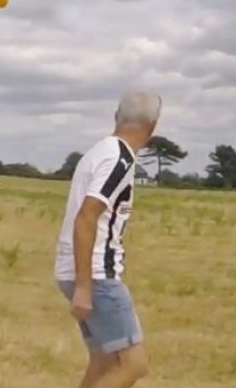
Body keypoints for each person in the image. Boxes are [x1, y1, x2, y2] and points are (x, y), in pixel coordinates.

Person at [54, 90, 160, 387]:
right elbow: (87, 217)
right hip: (97, 275)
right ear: (152, 126)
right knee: (133, 364)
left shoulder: (99, 151)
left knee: (104, 361)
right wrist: (85, 288)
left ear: (117, 117)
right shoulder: (120, 159)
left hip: (75, 270)